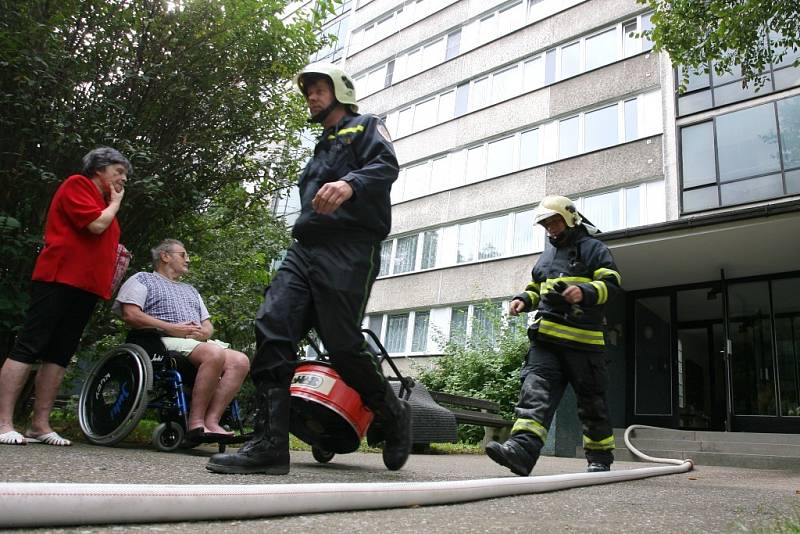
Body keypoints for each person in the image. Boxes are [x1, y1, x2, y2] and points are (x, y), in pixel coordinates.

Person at [206, 62, 410, 475]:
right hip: (304, 249)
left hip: (349, 248)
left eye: (318, 89)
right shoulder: (321, 145)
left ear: (340, 91)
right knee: (272, 327)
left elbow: (387, 165)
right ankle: (268, 446)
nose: (311, 97)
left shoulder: (367, 125)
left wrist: (350, 183)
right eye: (308, 92)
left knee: (342, 345)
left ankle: (391, 412)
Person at [0, 147, 130, 446]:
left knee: (60, 354)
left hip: (87, 287)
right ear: (99, 168)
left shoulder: (103, 201)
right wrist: (116, 203)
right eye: (119, 170)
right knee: (29, 345)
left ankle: (39, 425)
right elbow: (96, 225)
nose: (123, 177)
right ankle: (3, 422)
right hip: (59, 278)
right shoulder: (78, 185)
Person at [485, 195, 622, 475]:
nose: (551, 229)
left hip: (584, 345)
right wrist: (523, 299)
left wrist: (584, 292)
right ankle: (521, 452)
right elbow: (536, 287)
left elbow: (612, 283)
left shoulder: (593, 249)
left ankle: (600, 459)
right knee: (533, 394)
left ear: (570, 218)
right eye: (546, 224)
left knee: (591, 403)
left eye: (555, 221)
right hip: (546, 342)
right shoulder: (547, 256)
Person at [113, 239, 250, 438]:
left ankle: (212, 420)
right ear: (165, 256)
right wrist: (171, 328)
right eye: (183, 255)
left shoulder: (190, 290)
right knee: (214, 354)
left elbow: (208, 324)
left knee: (240, 361)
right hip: (158, 340)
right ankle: (195, 422)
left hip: (195, 342)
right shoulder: (142, 279)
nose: (188, 260)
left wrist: (204, 332)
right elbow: (131, 315)